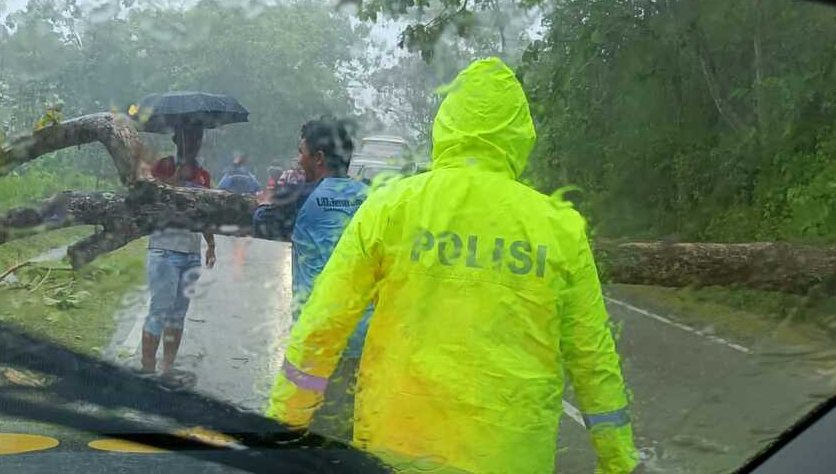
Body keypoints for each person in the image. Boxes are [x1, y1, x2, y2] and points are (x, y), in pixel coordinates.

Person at [267, 59, 639, 474]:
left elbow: (323, 324)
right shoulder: (559, 228)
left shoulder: (391, 206)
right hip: (511, 458)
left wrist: (283, 429)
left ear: (447, 124)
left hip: (394, 449)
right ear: (520, 133)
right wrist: (619, 461)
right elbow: (593, 359)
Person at [253, 116, 370, 441]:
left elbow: (262, 223)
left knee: (305, 431)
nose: (297, 158)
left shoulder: (300, 195)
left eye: (301, 151)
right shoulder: (372, 197)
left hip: (318, 339)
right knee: (348, 428)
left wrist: (263, 204)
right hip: (364, 338)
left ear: (318, 157)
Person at [142, 125, 217, 384]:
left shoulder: (204, 176)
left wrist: (211, 244)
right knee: (159, 311)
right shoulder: (162, 166)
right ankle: (147, 369)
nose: (194, 143)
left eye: (198, 138)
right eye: (189, 138)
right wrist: (173, 179)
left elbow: (207, 212)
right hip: (164, 250)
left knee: (178, 314)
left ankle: (167, 367)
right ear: (177, 140)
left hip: (190, 252)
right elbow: (147, 199)